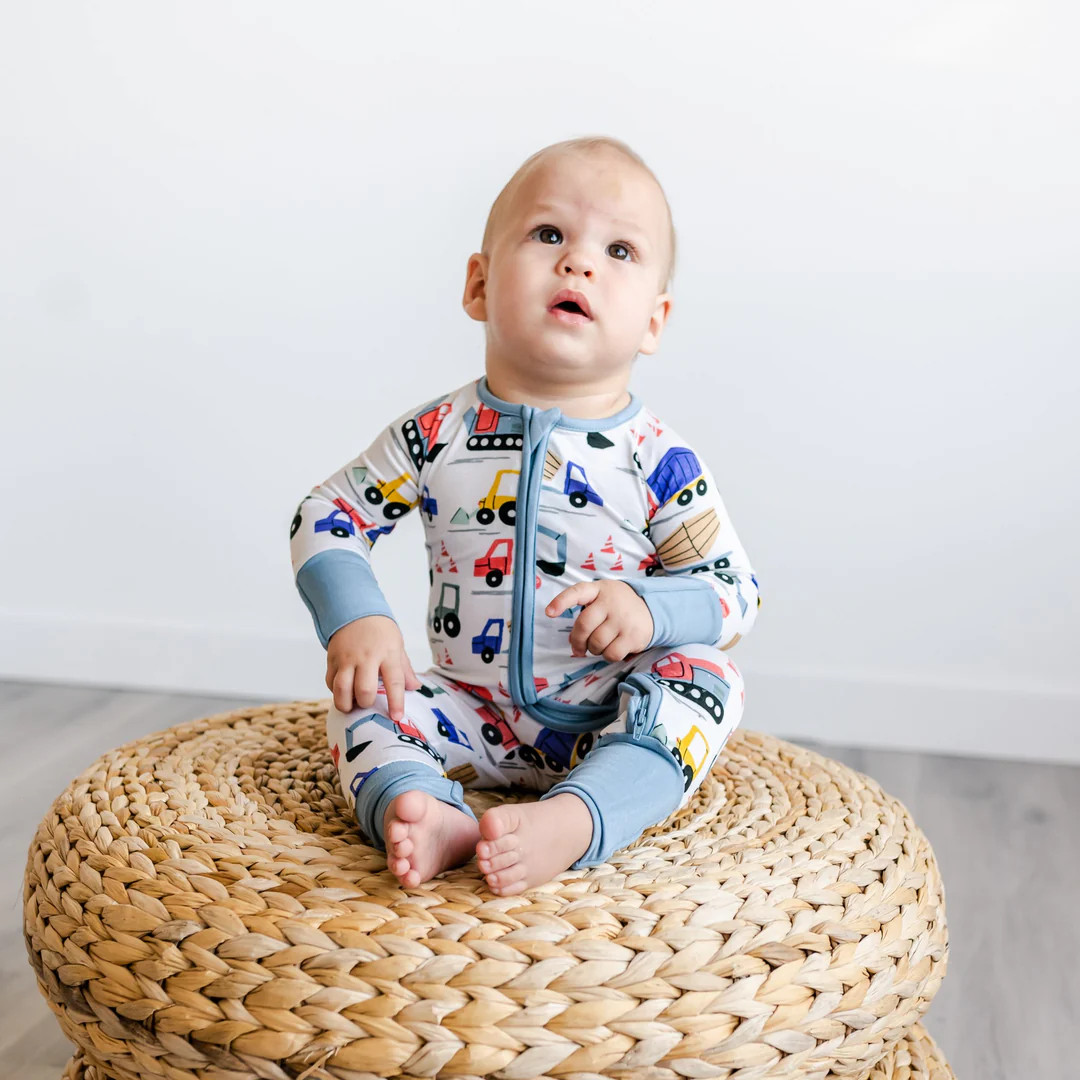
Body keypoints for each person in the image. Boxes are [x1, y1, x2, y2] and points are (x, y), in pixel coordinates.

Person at [289, 135, 761, 896]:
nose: (579, 263)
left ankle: (579, 817)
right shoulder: (435, 435)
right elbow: (329, 511)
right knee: (364, 702)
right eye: (549, 234)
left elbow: (734, 590)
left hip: (613, 713)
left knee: (708, 679)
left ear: (654, 321)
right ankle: (424, 808)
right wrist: (358, 619)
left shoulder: (657, 459)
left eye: (618, 250)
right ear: (478, 285)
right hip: (468, 709)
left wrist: (647, 608)